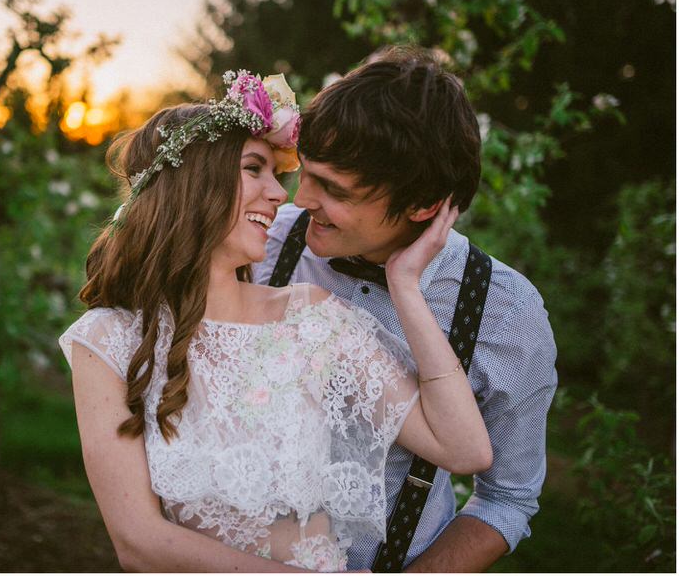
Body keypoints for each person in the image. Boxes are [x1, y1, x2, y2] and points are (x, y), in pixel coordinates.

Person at [59, 70, 492, 571]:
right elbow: (136, 541)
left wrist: (406, 286)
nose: (280, 194)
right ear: (192, 182)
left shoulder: (310, 320)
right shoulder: (109, 341)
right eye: (254, 169)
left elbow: (464, 450)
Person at [252, 47, 558, 572]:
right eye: (307, 172)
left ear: (422, 205)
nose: (300, 199)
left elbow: (508, 497)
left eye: (333, 188)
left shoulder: (504, 311)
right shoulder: (265, 244)